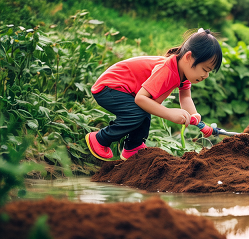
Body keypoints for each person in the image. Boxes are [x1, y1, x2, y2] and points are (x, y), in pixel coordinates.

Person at [86, 28, 222, 161]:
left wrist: (194, 115)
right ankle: (100, 139)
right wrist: (169, 113)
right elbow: (140, 98)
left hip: (125, 90)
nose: (206, 75)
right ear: (188, 57)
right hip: (110, 87)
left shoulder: (183, 74)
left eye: (209, 71)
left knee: (145, 110)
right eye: (205, 69)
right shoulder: (167, 70)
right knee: (138, 112)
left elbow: (185, 97)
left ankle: (133, 148)